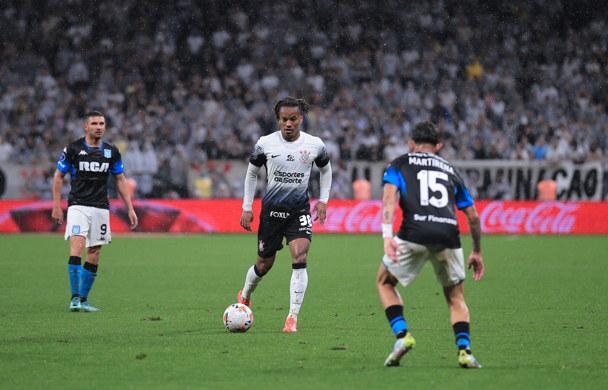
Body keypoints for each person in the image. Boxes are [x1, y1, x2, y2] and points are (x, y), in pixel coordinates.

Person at [377, 121, 484, 368]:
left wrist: (386, 236)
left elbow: (388, 198)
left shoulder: (399, 163)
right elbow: (473, 217)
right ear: (438, 146)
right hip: (448, 235)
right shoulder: (451, 170)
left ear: (411, 144)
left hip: (413, 233)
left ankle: (403, 336)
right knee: (455, 298)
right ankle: (465, 351)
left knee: (384, 282)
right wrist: (476, 251)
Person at [238, 97, 332, 333]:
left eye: (292, 119)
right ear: (278, 119)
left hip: (298, 211)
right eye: (283, 119)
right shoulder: (264, 143)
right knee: (263, 265)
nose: (288, 123)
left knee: (300, 257)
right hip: (271, 213)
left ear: (301, 119)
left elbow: (326, 170)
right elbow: (251, 174)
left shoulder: (315, 145)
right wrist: (247, 207)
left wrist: (323, 200)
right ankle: (246, 293)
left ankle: (292, 318)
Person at [51, 111, 138, 312]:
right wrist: (57, 206)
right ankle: (74, 298)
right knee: (77, 247)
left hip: (100, 208)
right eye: (94, 123)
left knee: (94, 253)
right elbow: (58, 177)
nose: (99, 127)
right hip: (78, 206)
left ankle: (83, 298)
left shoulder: (111, 151)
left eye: (102, 123)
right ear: (86, 127)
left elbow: (120, 179)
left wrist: (130, 208)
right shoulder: (73, 149)